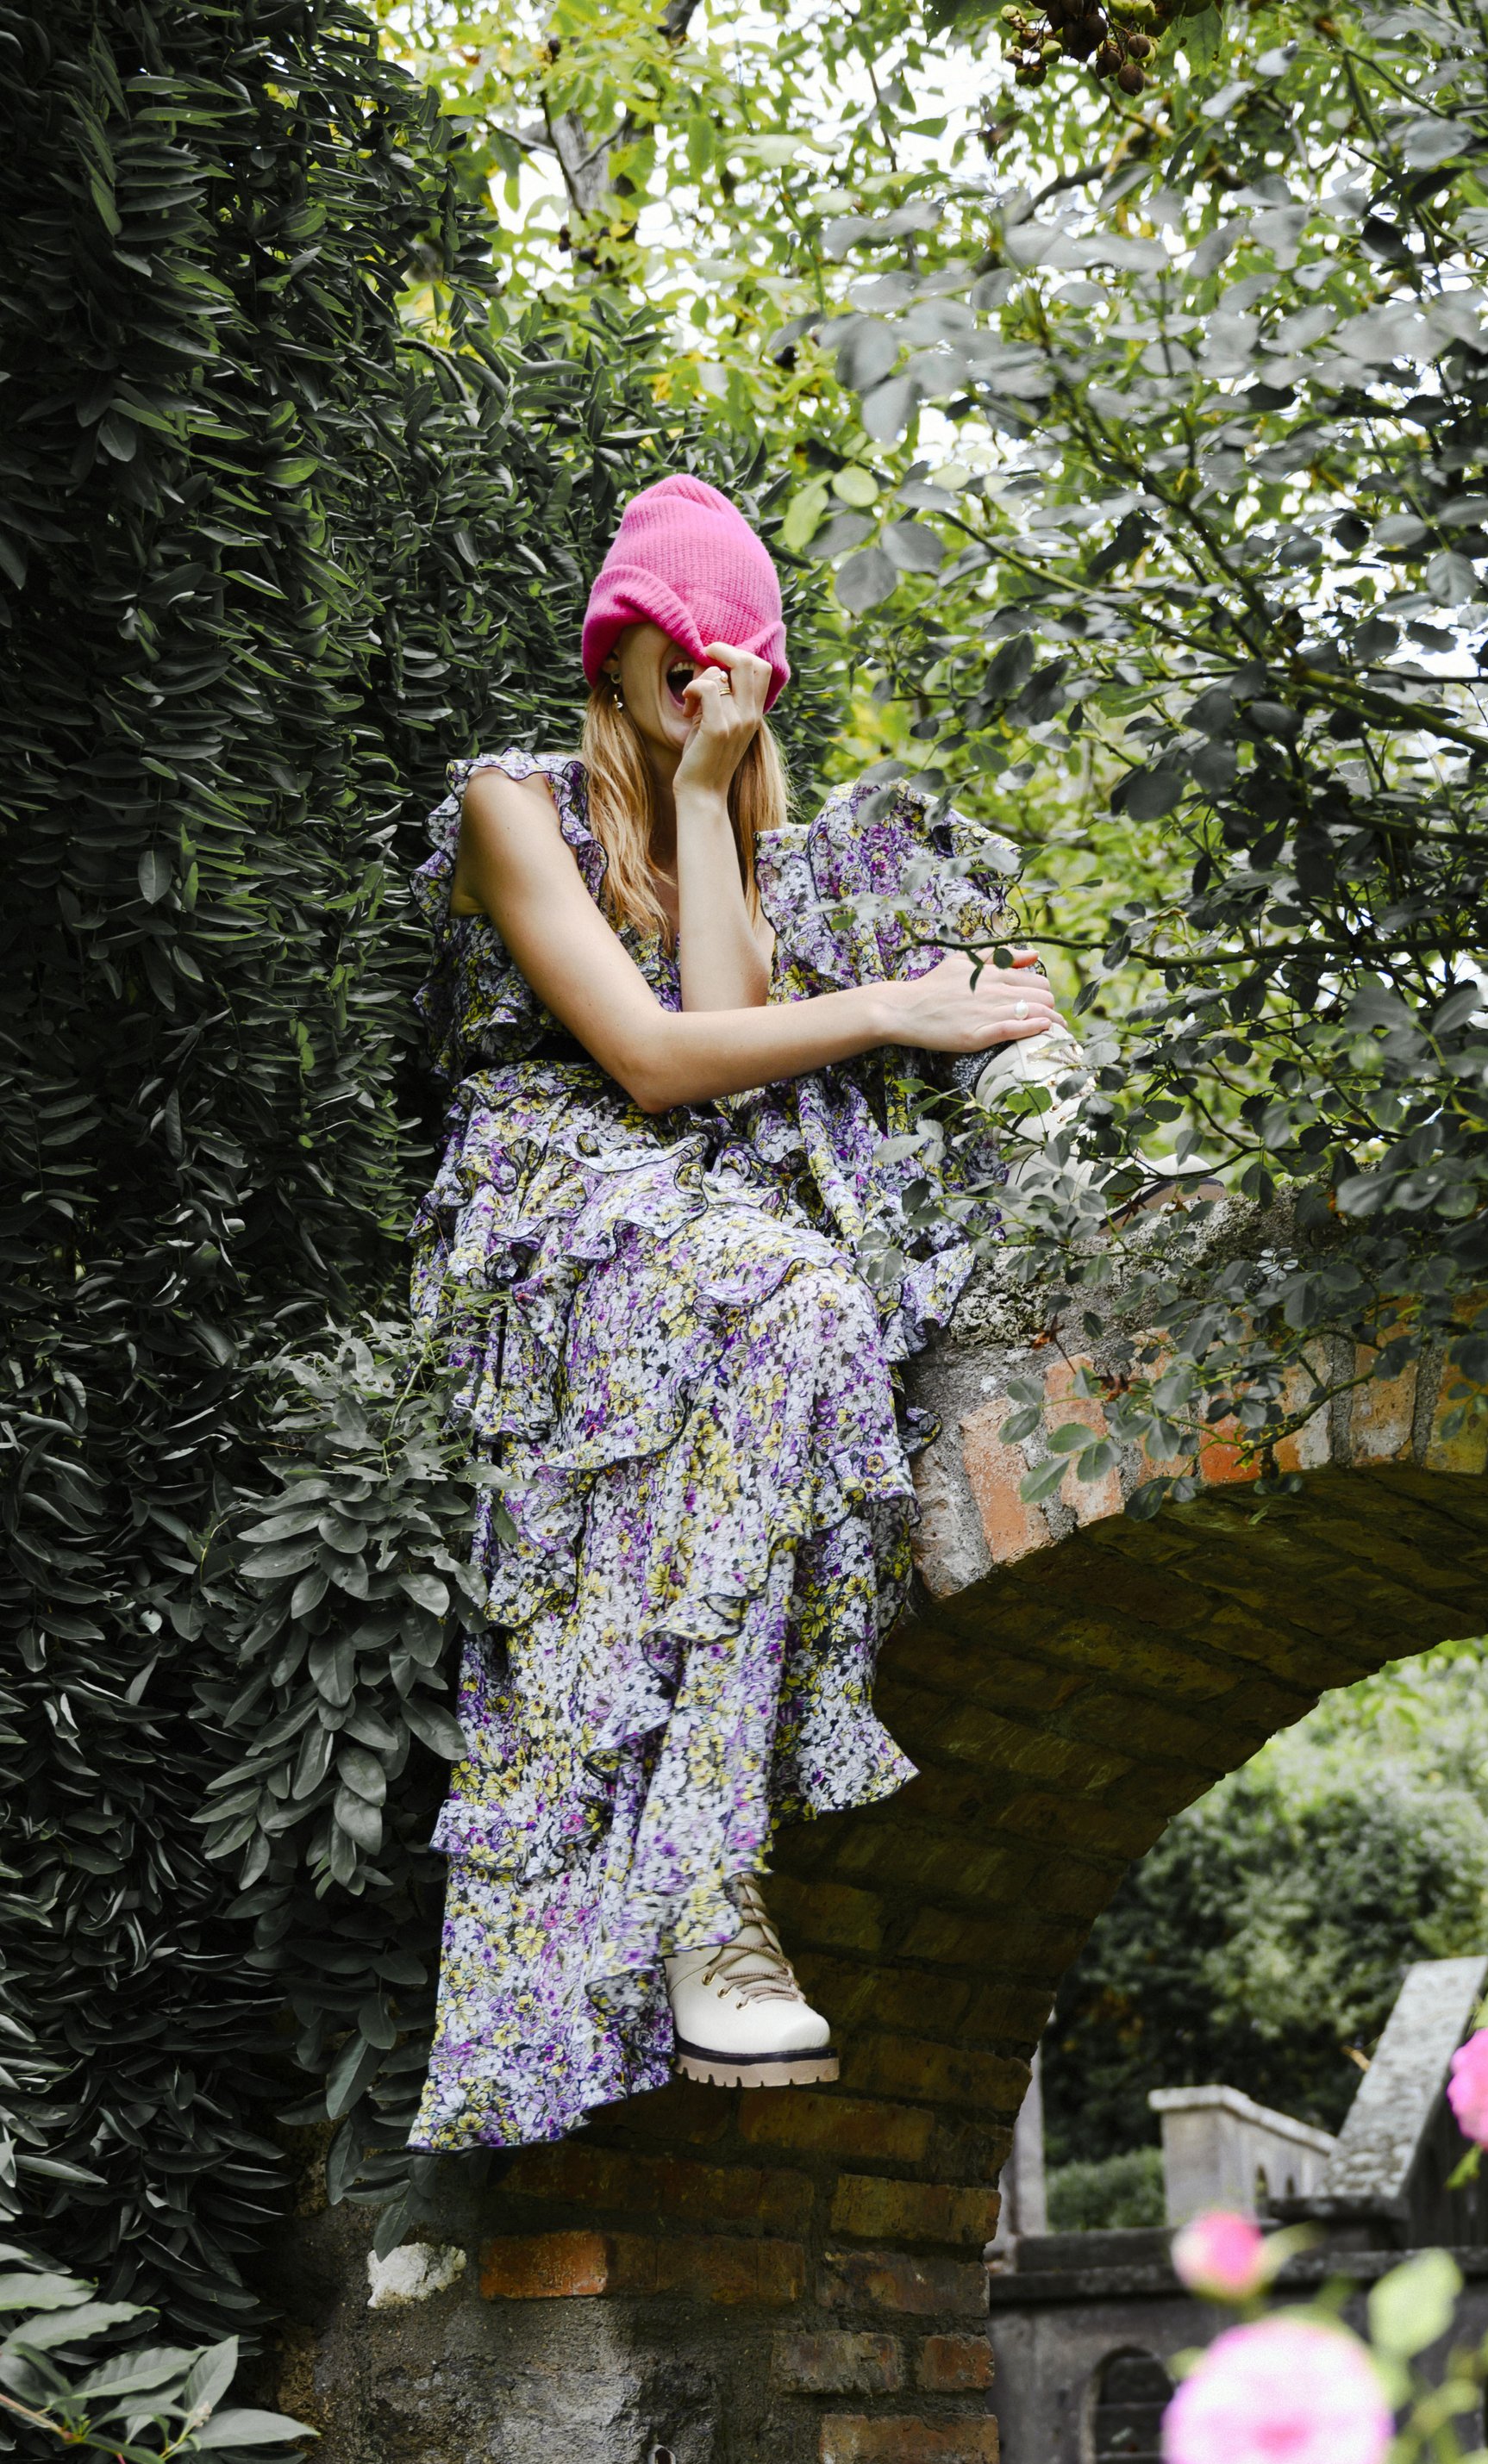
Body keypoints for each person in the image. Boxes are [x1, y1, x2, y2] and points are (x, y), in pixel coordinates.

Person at [404, 474, 1063, 2153]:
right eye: (668, 645)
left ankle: (712, 1874)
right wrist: (892, 1009)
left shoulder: (728, 828)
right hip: (547, 1192)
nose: (695, 673)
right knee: (790, 1292)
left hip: (692, 1196)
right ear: (612, 648)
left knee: (819, 1307)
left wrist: (708, 791)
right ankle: (702, 1891)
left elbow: (724, 1036)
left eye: (727, 658)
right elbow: (650, 1059)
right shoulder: (508, 805)